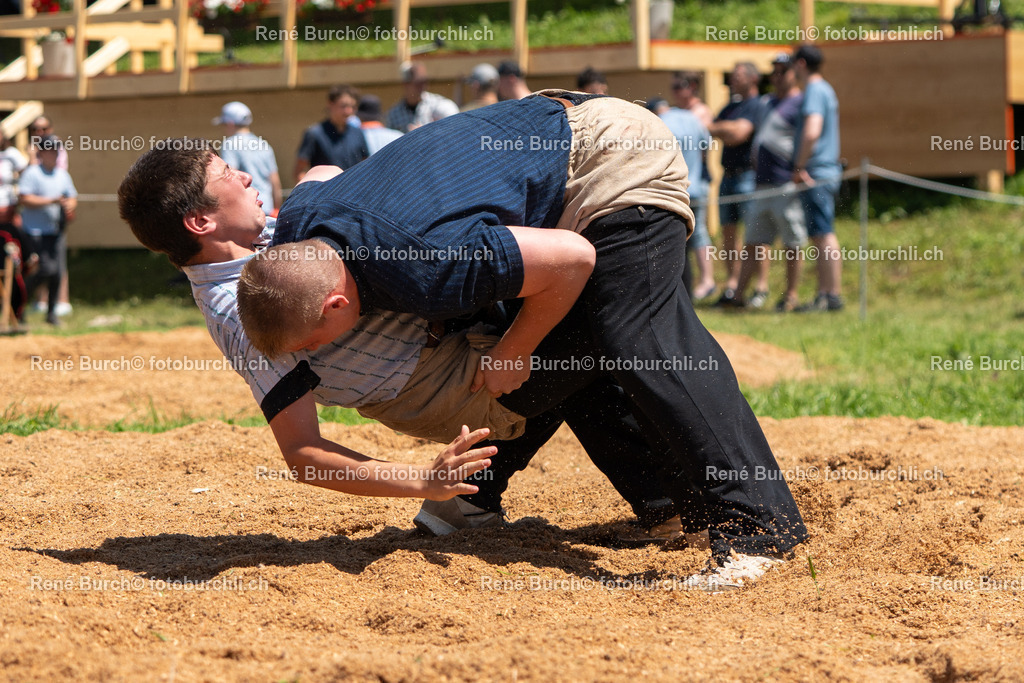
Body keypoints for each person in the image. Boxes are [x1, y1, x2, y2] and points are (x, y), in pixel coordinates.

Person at [238, 91, 808, 589]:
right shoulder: (299, 225)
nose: (314, 356)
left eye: (315, 342)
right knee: (570, 335)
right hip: (545, 138)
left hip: (610, 155)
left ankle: (761, 526)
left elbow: (573, 259)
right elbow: (320, 177)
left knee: (637, 333)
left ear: (337, 304)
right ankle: (669, 504)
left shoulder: (426, 268)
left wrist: (516, 348)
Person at [118, 139, 687, 547]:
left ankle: (474, 499)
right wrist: (423, 479)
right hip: (438, 388)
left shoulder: (262, 235)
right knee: (593, 320)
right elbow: (303, 454)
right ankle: (671, 506)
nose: (247, 178)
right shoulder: (242, 312)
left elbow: (324, 171)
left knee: (548, 312)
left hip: (454, 336)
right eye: (229, 176)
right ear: (200, 223)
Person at [734, 53, 806, 312]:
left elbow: (810, 137)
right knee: (753, 241)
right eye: (774, 71)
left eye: (783, 71)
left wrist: (801, 168)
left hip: (785, 181)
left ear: (794, 73)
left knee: (792, 242)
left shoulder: (801, 103)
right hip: (760, 183)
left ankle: (791, 296)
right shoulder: (766, 102)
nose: (777, 76)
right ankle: (738, 296)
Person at [708, 62, 768, 308]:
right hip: (728, 176)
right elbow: (711, 128)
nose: (733, 79)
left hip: (748, 176)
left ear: (753, 79)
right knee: (728, 233)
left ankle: (761, 286)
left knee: (755, 234)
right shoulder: (730, 106)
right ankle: (734, 286)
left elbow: (738, 134)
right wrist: (725, 129)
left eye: (738, 76)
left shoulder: (758, 105)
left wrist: (723, 129)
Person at [792, 44, 844, 312]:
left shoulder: (813, 90)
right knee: (819, 233)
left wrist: (799, 166)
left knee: (823, 235)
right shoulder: (824, 88)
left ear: (801, 63)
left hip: (816, 172)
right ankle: (825, 294)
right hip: (825, 171)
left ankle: (830, 296)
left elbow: (812, 131)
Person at [664, 75, 714, 300]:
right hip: (695, 188)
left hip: (679, 190)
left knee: (683, 237)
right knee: (698, 234)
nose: (675, 91)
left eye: (679, 86)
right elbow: (706, 148)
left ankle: (702, 282)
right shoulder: (695, 120)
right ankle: (704, 281)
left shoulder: (672, 118)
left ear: (692, 87)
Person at [19, 135, 76, 326]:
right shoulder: (32, 173)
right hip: (35, 231)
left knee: (57, 273)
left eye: (55, 150)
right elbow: (24, 198)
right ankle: (17, 305)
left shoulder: (62, 175)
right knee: (43, 270)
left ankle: (51, 314)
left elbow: (72, 197)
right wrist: (51, 201)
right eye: (49, 150)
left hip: (56, 231)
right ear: (41, 153)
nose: (53, 154)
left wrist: (69, 206)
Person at [214, 101, 282, 217]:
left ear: (230, 124)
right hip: (267, 210)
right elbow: (275, 182)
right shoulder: (264, 144)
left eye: (224, 125)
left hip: (246, 211)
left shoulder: (230, 144)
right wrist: (277, 209)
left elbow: (230, 177)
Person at [295, 84, 369, 182]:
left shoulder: (358, 133)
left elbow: (365, 166)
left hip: (352, 193)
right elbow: (298, 172)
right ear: (330, 104)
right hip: (324, 194)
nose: (348, 111)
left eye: (353, 107)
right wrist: (314, 191)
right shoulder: (314, 133)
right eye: (343, 106)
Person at [386, 62, 459, 133]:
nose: (424, 86)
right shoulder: (394, 114)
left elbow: (455, 128)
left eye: (425, 81)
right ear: (406, 84)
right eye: (418, 83)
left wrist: (428, 132)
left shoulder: (439, 105)